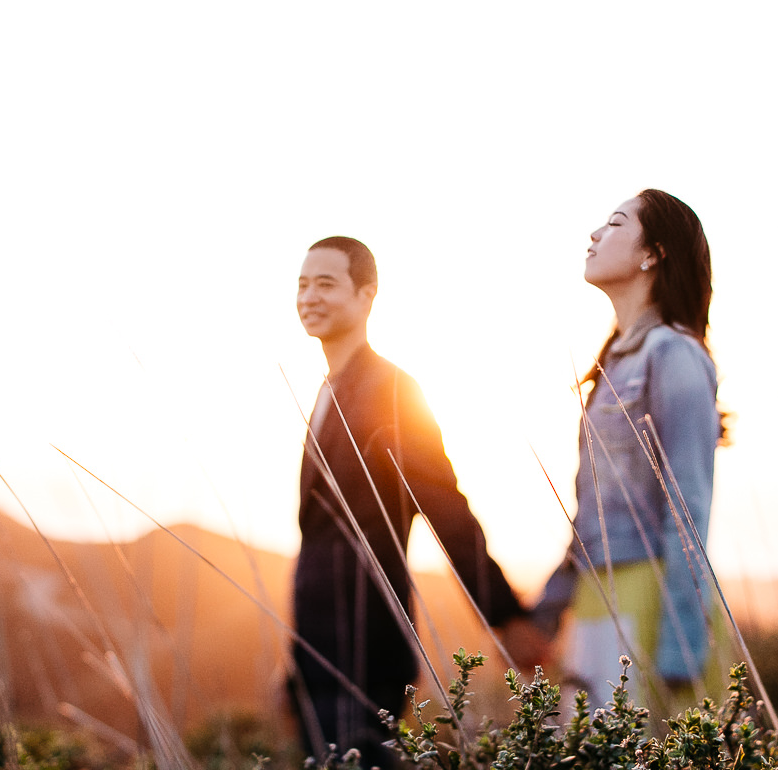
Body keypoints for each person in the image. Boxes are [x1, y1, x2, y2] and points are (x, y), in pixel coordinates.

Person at [290, 236, 548, 765]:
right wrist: (297, 659)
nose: (309, 296)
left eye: (326, 283)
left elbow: (445, 508)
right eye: (302, 284)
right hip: (316, 640)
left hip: (365, 632)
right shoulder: (329, 386)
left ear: (366, 296)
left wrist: (503, 615)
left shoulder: (391, 389)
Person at [532, 190, 727, 712]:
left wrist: (680, 646)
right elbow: (593, 513)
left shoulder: (674, 355)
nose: (595, 235)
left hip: (651, 592)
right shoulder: (614, 363)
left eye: (615, 224)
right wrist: (548, 607)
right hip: (598, 591)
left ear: (654, 252)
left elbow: (689, 510)